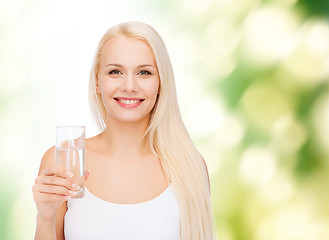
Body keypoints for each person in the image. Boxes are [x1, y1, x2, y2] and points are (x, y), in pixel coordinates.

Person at [32, 21, 215, 240]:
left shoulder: (189, 167)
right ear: (97, 82)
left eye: (144, 72)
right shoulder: (63, 160)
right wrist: (45, 217)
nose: (129, 86)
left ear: (161, 84)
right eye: (116, 71)